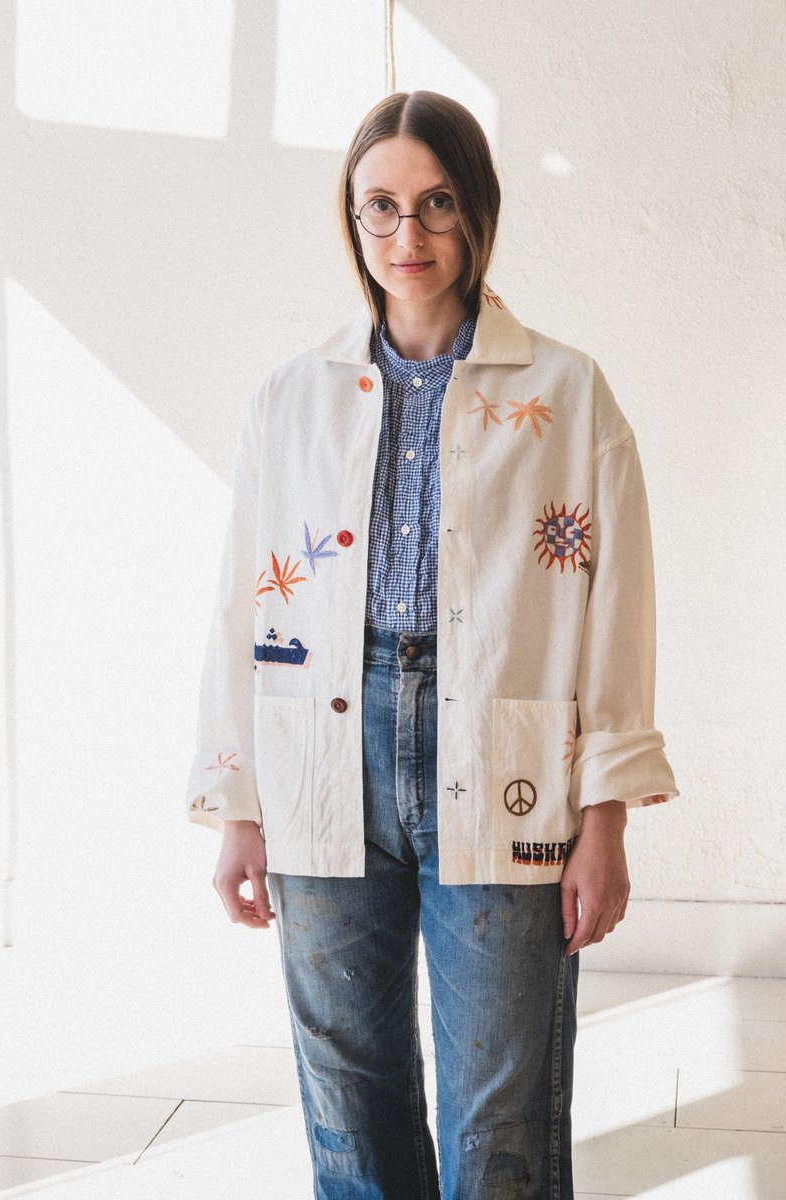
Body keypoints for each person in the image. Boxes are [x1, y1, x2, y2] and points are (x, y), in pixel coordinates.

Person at [185, 90, 678, 1200]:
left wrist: (604, 817)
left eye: (437, 203)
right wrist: (237, 805)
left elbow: (616, 608)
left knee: (499, 1114)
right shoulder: (291, 398)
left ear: (478, 210)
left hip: (502, 753)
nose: (407, 234)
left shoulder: (566, 391)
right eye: (380, 206)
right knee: (346, 1098)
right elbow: (241, 607)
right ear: (351, 219)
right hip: (323, 756)